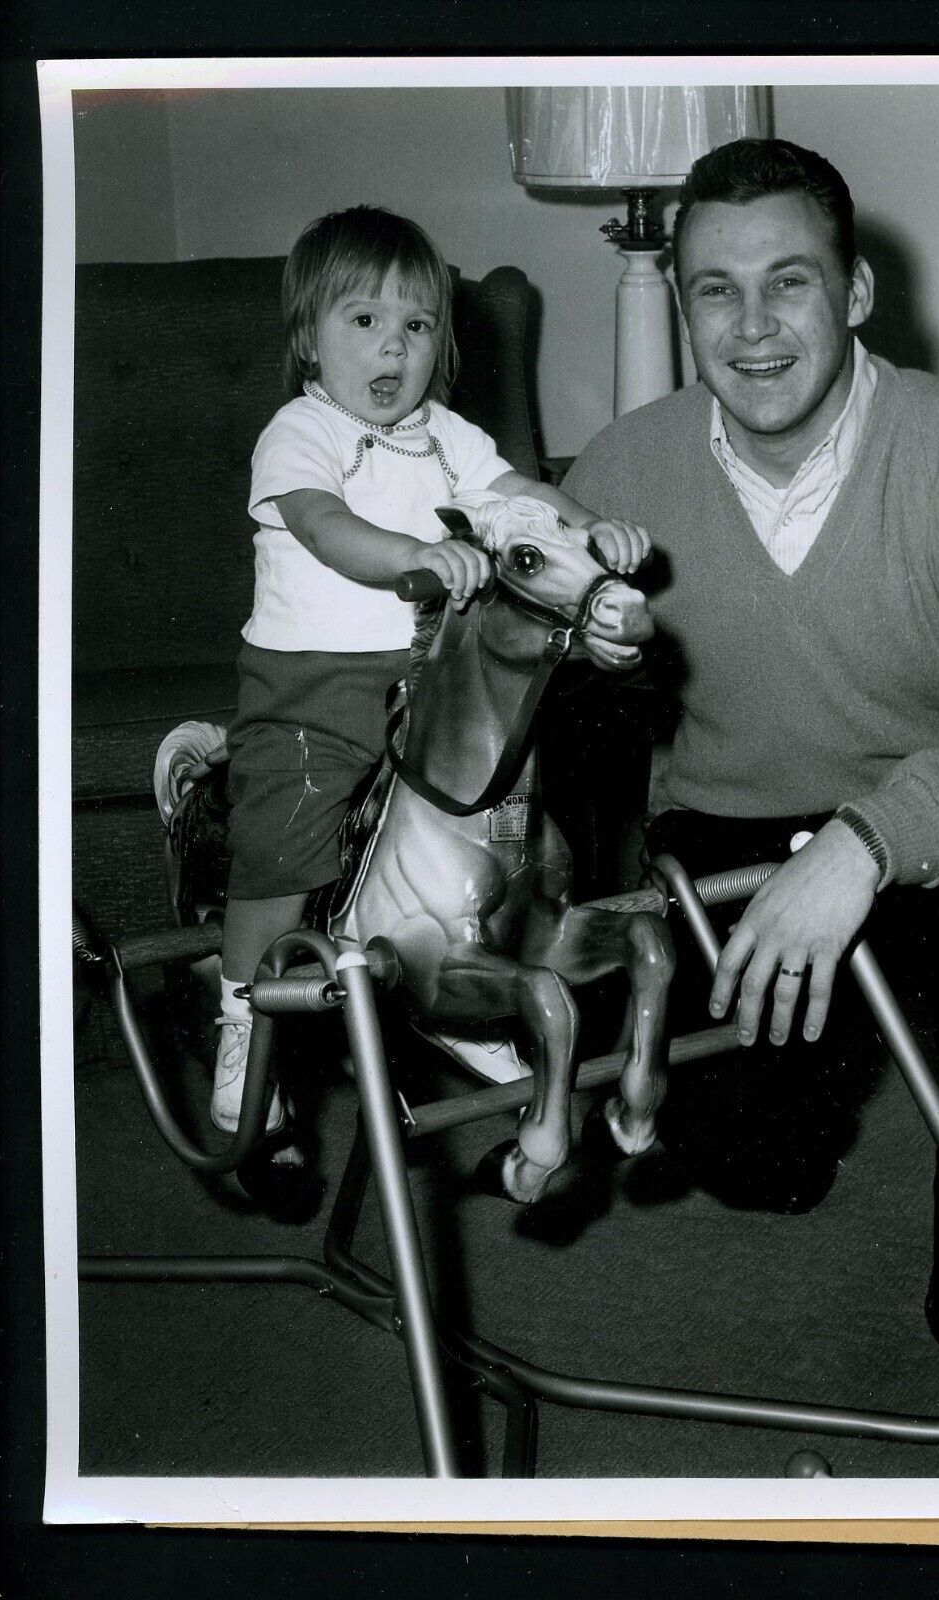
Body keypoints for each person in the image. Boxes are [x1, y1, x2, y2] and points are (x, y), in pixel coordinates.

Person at [563, 139, 939, 1349]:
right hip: (721, 839)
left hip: (929, 823)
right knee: (750, 1164)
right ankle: (797, 1103)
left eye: (790, 281)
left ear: (856, 292)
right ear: (680, 305)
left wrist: (865, 846)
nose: (752, 326)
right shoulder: (620, 471)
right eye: (716, 288)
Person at [215, 204, 648, 1146]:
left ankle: (458, 996)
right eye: (362, 321)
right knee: (287, 834)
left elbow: (520, 494)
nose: (392, 348)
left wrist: (585, 525)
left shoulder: (447, 435)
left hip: (429, 681)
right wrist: (413, 552)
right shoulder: (302, 432)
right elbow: (325, 526)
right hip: (313, 685)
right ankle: (243, 1016)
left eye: (415, 326)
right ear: (308, 338)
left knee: (492, 814)